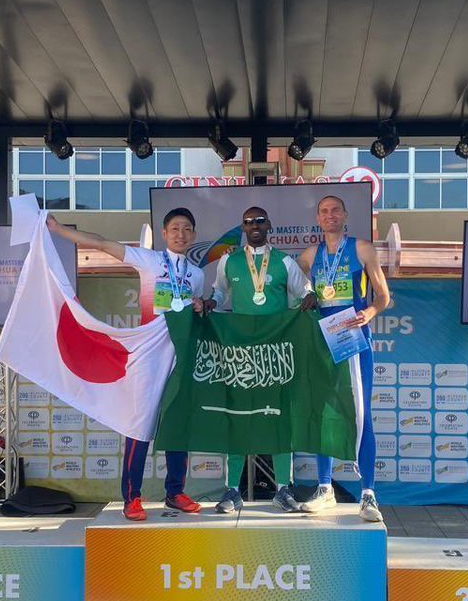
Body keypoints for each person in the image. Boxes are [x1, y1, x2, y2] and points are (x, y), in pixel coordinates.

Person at [47, 208, 205, 521]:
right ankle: (131, 496)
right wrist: (60, 230)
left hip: (179, 355)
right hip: (148, 354)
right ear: (164, 233)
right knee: (140, 423)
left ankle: (175, 492)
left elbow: (194, 313)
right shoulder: (149, 261)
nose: (181, 234)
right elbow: (104, 244)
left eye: (187, 228)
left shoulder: (197, 275)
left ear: (194, 235)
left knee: (177, 421)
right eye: (175, 228)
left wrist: (201, 304)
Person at [202, 206, 317, 514]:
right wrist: (211, 303)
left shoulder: (284, 262)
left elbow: (303, 292)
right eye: (248, 222)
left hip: (276, 356)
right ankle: (232, 491)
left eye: (260, 221)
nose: (254, 226)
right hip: (240, 356)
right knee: (237, 419)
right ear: (243, 227)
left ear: (269, 225)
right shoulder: (229, 260)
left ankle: (283, 489)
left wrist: (310, 298)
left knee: (279, 420)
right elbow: (218, 293)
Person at [296, 195, 391, 522]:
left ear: (345, 215)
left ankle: (368, 494)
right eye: (324, 211)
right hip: (323, 338)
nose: (330, 215)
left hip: (353, 336)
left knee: (361, 414)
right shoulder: (310, 255)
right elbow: (294, 286)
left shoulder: (362, 248)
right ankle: (325, 488)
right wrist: (306, 294)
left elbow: (383, 295)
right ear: (318, 219)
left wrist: (370, 311)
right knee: (322, 412)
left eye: (335, 209)